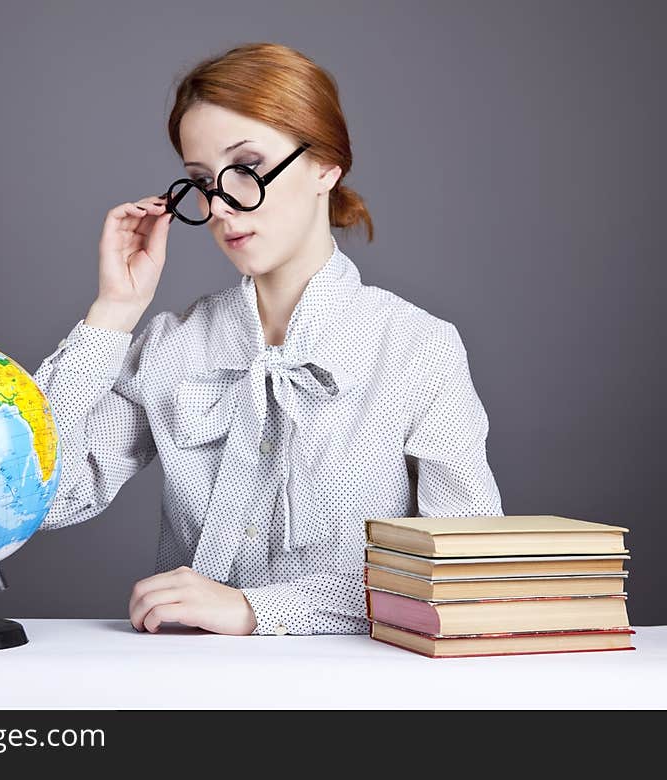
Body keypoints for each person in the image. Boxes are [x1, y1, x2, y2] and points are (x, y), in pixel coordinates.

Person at [32, 42, 503, 637]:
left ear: (326, 167)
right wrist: (112, 313)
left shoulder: (415, 347)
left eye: (248, 168)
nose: (222, 203)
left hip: (367, 690)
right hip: (188, 686)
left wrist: (258, 610)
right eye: (200, 181)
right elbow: (37, 499)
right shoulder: (171, 349)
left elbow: (466, 574)